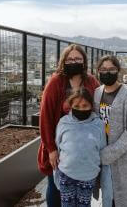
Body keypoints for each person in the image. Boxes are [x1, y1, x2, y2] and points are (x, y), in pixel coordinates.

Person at [37, 44, 100, 207]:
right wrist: (50, 148)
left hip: (84, 148)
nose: (74, 61)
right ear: (63, 61)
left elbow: (99, 110)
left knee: (82, 191)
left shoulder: (91, 82)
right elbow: (45, 117)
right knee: (55, 185)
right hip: (59, 146)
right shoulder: (56, 83)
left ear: (84, 61)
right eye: (70, 59)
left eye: (78, 59)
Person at [94, 55, 127, 207]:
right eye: (103, 69)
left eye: (111, 69)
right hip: (103, 158)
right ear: (98, 71)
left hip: (124, 158)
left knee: (126, 199)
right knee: (108, 197)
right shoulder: (97, 92)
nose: (107, 72)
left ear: (118, 71)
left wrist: (111, 152)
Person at [53, 88, 112, 207]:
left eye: (85, 106)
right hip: (66, 174)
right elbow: (58, 145)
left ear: (91, 105)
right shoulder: (64, 122)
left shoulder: (98, 124)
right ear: (71, 106)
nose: (81, 109)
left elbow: (102, 149)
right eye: (77, 106)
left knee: (84, 204)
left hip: (88, 176)